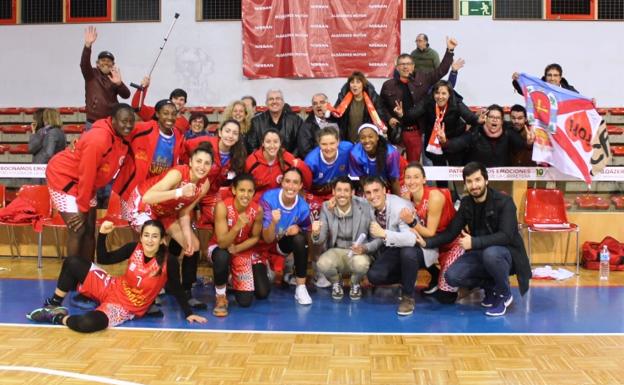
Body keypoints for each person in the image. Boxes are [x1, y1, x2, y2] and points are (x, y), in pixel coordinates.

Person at [26, 220, 207, 332]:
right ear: (141, 237)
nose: (149, 240)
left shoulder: (169, 261)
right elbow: (104, 258)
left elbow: (176, 287)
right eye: (146, 235)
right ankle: (54, 306)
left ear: (162, 240)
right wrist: (103, 235)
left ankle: (56, 318)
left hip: (125, 308)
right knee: (73, 262)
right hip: (111, 286)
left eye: (154, 236)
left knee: (87, 324)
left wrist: (188, 313)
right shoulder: (133, 248)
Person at [414, 162, 532, 316]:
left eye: (477, 180)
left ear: (486, 180)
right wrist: (426, 242)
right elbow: (451, 233)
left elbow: (506, 236)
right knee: (452, 276)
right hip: (481, 253)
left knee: (491, 254)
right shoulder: (466, 203)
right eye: (469, 181)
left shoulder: (504, 202)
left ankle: (504, 294)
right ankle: (490, 287)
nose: (474, 185)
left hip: (507, 255)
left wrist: (475, 242)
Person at [125, 143, 213, 309]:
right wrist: (179, 192)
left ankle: (186, 292)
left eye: (206, 163)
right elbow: (148, 197)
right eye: (198, 161)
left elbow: (184, 212)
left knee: (193, 246)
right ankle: (146, 295)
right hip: (143, 205)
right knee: (156, 244)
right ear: (191, 163)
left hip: (167, 211)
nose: (202, 166)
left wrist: (187, 237)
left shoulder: (204, 184)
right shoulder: (178, 174)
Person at [46, 103, 135, 261]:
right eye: (124, 121)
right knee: (78, 229)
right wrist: (82, 209)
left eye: (131, 121)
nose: (128, 125)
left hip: (87, 182)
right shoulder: (98, 140)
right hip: (63, 177)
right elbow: (86, 175)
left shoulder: (121, 136)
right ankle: (70, 276)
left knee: (89, 230)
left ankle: (87, 275)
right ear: (112, 120)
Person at [380, 37, 457, 160]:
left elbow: (441, 71)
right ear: (397, 67)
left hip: (416, 132)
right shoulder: (388, 85)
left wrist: (450, 51)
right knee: (394, 166)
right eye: (402, 64)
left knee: (413, 165)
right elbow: (381, 106)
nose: (405, 67)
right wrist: (389, 118)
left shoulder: (423, 79)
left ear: (413, 66)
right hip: (395, 132)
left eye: (408, 64)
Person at [399, 162, 464, 303]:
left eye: (416, 177)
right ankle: (434, 277)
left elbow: (430, 232)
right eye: (408, 177)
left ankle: (470, 286)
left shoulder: (434, 196)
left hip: (451, 243)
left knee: (446, 298)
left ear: (424, 179)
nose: (412, 181)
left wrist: (412, 223)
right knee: (406, 250)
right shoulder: (406, 198)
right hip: (433, 245)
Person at [362, 176, 425, 316]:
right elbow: (353, 201)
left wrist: (383, 233)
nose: (372, 196)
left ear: (385, 190)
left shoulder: (400, 207)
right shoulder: (368, 204)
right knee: (374, 276)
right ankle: (408, 277)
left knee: (407, 253)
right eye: (368, 192)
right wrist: (333, 201)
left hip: (418, 248)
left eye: (376, 191)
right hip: (394, 248)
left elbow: (412, 238)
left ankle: (408, 297)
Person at [312, 176, 380, 300]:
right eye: (339, 190)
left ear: (352, 193)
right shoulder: (327, 207)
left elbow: (378, 238)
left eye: (346, 190)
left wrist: (364, 248)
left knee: (361, 264)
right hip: (336, 251)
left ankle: (355, 283)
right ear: (333, 192)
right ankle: (336, 282)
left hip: (358, 251)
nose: (342, 194)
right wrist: (316, 233)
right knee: (322, 264)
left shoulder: (365, 206)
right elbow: (320, 239)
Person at [209, 174, 267, 316]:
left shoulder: (257, 210)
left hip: (241, 250)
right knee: (222, 256)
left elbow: (255, 238)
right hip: (219, 248)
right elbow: (222, 243)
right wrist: (237, 227)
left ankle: (230, 277)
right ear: (234, 190)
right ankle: (221, 296)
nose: (246, 195)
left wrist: (238, 248)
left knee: (246, 301)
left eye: (250, 191)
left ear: (254, 192)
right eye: (242, 190)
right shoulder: (222, 206)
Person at [114, 100, 185, 210]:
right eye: (165, 113)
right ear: (157, 114)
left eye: (173, 114)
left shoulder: (178, 135)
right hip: (132, 190)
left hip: (157, 191)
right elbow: (119, 135)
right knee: (124, 224)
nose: (170, 117)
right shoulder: (142, 129)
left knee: (151, 225)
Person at [260, 168, 313, 305]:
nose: (291, 186)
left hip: (280, 246)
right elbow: (267, 238)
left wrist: (299, 229)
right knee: (265, 286)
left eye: (295, 182)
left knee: (300, 238)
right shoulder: (268, 198)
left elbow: (307, 235)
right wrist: (273, 222)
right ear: (281, 182)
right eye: (287, 181)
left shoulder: (303, 208)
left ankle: (301, 287)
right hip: (262, 244)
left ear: (301, 186)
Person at [402, 80, 482, 167]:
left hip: (453, 142)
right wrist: (402, 114)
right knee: (440, 173)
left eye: (444, 93)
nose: (440, 97)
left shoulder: (456, 103)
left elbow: (470, 117)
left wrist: (478, 120)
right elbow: (413, 114)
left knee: (455, 173)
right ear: (433, 94)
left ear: (449, 94)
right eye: (437, 93)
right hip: (435, 143)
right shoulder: (428, 101)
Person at [184, 119, 247, 225]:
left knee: (223, 218)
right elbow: (184, 150)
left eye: (235, 133)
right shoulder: (205, 142)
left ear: (238, 137)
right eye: (227, 131)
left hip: (212, 195)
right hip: (192, 189)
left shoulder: (239, 155)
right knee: (186, 218)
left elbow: (235, 180)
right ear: (220, 132)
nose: (230, 135)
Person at [437, 104, 535, 167]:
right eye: (491, 117)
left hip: (502, 182)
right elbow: (458, 143)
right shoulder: (476, 132)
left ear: (502, 121)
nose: (494, 120)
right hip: (478, 179)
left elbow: (522, 145)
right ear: (485, 119)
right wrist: (444, 142)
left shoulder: (508, 132)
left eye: (498, 118)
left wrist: (529, 143)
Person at [81, 26, 130, 130]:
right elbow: (84, 63)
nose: (106, 63)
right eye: (102, 60)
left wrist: (119, 84)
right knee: (92, 146)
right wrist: (88, 45)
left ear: (113, 64)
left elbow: (126, 95)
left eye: (109, 61)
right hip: (93, 122)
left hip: (110, 121)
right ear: (97, 63)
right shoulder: (91, 74)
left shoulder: (115, 77)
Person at [245, 129, 312, 201]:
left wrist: (303, 191)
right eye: (268, 142)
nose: (272, 145)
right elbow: (245, 185)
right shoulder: (252, 161)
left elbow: (304, 179)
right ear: (262, 143)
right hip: (259, 200)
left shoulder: (287, 159)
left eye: (276, 142)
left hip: (281, 198)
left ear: (280, 143)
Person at [304, 126, 353, 220]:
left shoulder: (347, 148)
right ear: (319, 144)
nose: (328, 148)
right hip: (316, 193)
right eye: (324, 144)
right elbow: (305, 187)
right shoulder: (311, 161)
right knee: (317, 214)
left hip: (338, 190)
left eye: (332, 143)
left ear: (338, 142)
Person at [332, 71, 387, 143]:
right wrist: (328, 112)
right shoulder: (343, 98)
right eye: (352, 82)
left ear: (363, 85)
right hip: (347, 140)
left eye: (358, 82)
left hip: (366, 141)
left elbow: (381, 117)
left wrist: (383, 127)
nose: (355, 85)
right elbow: (336, 116)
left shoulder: (373, 98)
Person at [348, 123, 403, 195]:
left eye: (370, 137)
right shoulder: (355, 154)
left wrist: (397, 201)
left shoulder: (390, 154)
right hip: (374, 183)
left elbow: (394, 180)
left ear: (377, 137)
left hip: (397, 179)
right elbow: (362, 179)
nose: (367, 140)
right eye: (363, 137)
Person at [246, 89, 303, 156]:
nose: (274, 101)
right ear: (266, 103)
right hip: (263, 163)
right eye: (271, 99)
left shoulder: (296, 121)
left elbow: (300, 145)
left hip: (289, 163)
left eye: (278, 99)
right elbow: (252, 147)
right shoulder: (256, 122)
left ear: (283, 103)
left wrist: (289, 160)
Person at [297, 93, 338, 158]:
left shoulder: (337, 120)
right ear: (312, 107)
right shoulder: (305, 126)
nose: (318, 105)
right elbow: (305, 152)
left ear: (328, 104)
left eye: (322, 102)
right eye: (315, 103)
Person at [512, 63, 579, 95]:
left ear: (560, 78)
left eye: (555, 75)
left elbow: (580, 100)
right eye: (549, 75)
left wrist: (589, 102)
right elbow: (524, 90)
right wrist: (517, 80)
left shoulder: (569, 90)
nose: (552, 78)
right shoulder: (538, 88)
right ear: (545, 76)